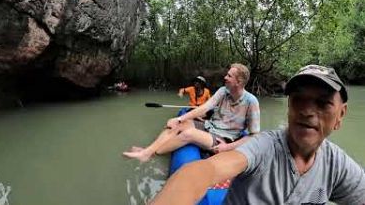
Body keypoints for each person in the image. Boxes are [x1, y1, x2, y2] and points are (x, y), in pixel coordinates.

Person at [151, 64, 365, 205]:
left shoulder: (336, 164)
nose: (307, 111)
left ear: (340, 115)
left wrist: (225, 144)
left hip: (228, 137)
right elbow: (200, 172)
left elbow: (249, 132)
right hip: (217, 131)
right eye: (298, 99)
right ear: (289, 107)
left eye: (322, 103)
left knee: (187, 133)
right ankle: (152, 149)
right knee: (184, 132)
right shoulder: (265, 147)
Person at [122, 63, 260, 162]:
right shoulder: (223, 91)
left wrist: (227, 147)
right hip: (210, 126)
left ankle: (149, 154)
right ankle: (147, 152)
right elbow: (204, 108)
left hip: (223, 138)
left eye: (229, 76)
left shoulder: (251, 102)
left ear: (239, 81)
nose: (225, 77)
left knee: (188, 134)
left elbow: (253, 135)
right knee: (177, 125)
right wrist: (180, 119)